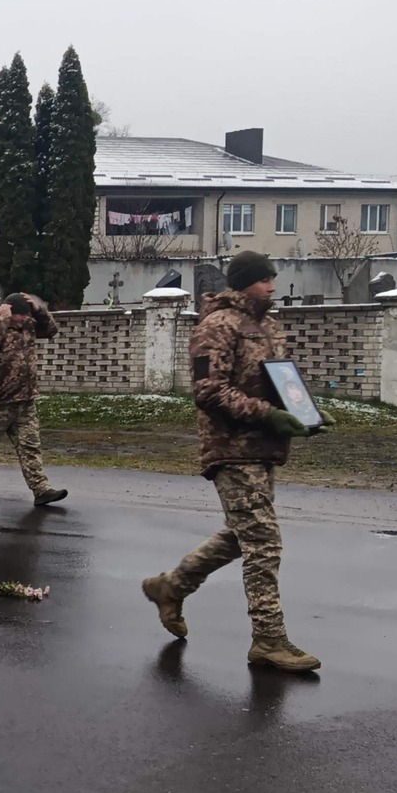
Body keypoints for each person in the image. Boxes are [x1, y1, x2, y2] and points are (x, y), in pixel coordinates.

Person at [141, 250, 324, 672]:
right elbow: (209, 390)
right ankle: (269, 640)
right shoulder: (216, 326)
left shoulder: (269, 325)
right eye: (265, 280)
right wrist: (269, 414)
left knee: (241, 535)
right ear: (242, 283)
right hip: (231, 448)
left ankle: (171, 586)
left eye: (274, 279)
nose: (273, 287)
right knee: (263, 543)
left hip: (265, 447)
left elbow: (280, 381)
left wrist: (308, 410)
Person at [0, 293, 67, 506]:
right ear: (8, 311)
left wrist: (39, 311)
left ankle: (41, 489)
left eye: (25, 316)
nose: (23, 320)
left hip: (24, 400)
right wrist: (3, 319)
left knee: (30, 446)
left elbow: (51, 330)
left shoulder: (28, 327)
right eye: (20, 316)